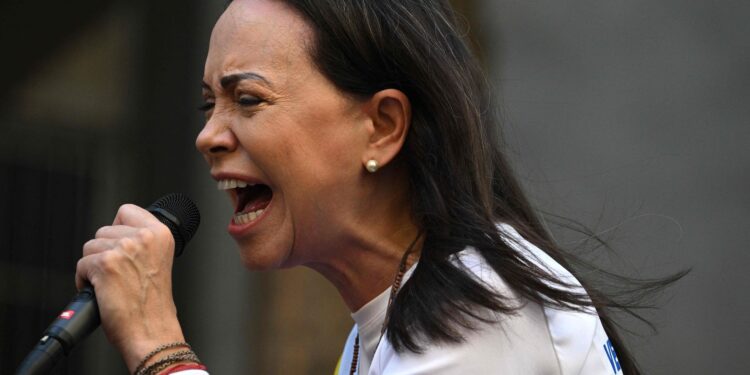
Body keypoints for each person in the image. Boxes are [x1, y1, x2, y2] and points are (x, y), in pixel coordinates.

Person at [75, 0, 674, 374]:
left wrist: (159, 347)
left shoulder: (482, 311)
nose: (208, 135)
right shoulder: (396, 317)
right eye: (209, 104)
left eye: (248, 99)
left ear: (382, 127)